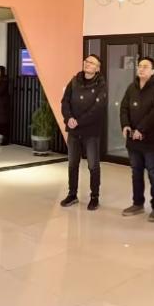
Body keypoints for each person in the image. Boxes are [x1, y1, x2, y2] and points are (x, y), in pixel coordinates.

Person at [119, 56, 154, 222]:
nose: (141, 69)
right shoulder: (131, 87)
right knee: (136, 172)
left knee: (153, 173)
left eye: (145, 66)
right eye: (139, 66)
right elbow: (124, 108)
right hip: (133, 139)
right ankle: (138, 204)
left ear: (153, 71)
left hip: (151, 139)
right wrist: (125, 125)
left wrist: (141, 129)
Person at [60, 54, 106, 210]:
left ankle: (94, 197)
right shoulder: (74, 81)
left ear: (97, 68)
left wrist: (79, 121)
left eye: (92, 63)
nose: (88, 64)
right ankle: (72, 194)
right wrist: (69, 118)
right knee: (72, 164)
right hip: (73, 130)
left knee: (93, 165)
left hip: (91, 131)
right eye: (86, 61)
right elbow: (65, 102)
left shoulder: (101, 85)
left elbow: (97, 109)